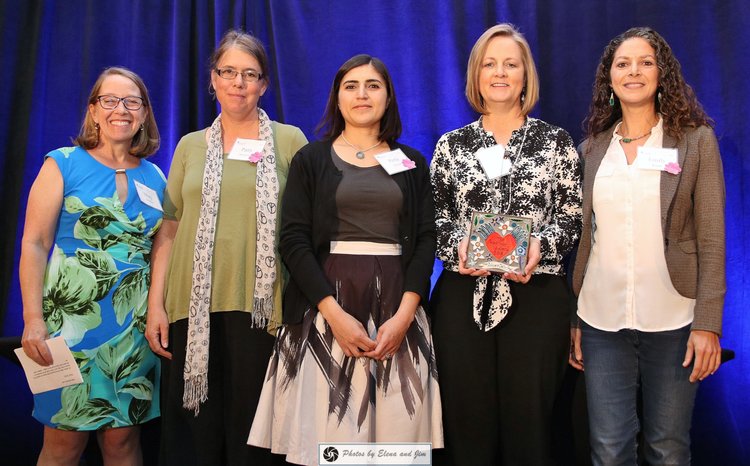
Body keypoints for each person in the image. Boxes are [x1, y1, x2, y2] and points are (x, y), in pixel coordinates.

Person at [248, 54, 443, 465]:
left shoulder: (412, 162)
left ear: (388, 97)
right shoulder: (311, 160)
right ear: (337, 99)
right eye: (351, 86)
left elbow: (427, 240)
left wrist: (406, 314)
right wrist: (333, 314)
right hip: (325, 311)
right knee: (332, 446)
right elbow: (294, 241)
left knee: (394, 447)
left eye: (373, 85)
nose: (362, 94)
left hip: (397, 310)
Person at [145, 30, 307, 465]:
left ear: (264, 84)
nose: (238, 82)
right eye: (229, 72)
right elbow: (170, 226)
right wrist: (155, 305)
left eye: (249, 74)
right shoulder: (189, 145)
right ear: (213, 80)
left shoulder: (291, 140)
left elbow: (307, 225)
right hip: (190, 307)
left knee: (252, 435)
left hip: (262, 309)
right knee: (195, 437)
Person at [569, 27, 725, 465]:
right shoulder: (592, 149)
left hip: (675, 320)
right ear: (609, 78)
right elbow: (585, 241)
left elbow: (712, 238)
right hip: (600, 323)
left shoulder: (695, 141)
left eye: (645, 62)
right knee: (608, 450)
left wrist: (708, 323)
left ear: (662, 74)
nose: (633, 71)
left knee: (668, 449)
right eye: (623, 64)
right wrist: (575, 316)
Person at [429, 23, 582, 465]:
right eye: (490, 64)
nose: (500, 73)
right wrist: (456, 245)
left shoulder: (555, 143)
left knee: (529, 429)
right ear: (477, 75)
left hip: (536, 295)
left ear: (525, 75)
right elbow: (435, 218)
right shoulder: (451, 146)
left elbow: (572, 216)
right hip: (463, 297)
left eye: (510, 64)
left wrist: (543, 245)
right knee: (467, 426)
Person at [19, 66, 163, 465]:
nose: (122, 109)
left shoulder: (156, 177)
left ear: (144, 113)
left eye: (132, 101)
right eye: (110, 100)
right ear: (94, 110)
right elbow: (34, 243)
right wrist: (33, 319)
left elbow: (161, 250)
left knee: (123, 442)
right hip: (69, 326)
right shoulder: (62, 163)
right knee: (64, 444)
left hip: (134, 329)